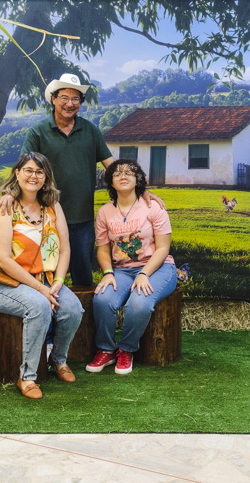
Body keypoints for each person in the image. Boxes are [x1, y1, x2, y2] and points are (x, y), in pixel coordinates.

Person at [0, 72, 161, 290]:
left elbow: (112, 166)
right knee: (46, 270)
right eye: (64, 97)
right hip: (46, 215)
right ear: (53, 99)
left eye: (75, 99)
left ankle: (83, 311)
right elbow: (24, 168)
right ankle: (48, 307)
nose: (70, 104)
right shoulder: (38, 132)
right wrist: (10, 193)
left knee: (83, 274)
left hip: (82, 216)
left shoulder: (90, 130)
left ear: (80, 103)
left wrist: (140, 189)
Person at [0, 152, 83, 399]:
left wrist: (58, 282)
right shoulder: (6, 207)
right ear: (17, 173)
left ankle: (57, 360)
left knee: (73, 310)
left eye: (39, 172)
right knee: (39, 306)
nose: (33, 176)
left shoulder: (53, 206)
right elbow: (2, 259)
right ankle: (27, 376)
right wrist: (40, 290)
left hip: (45, 280)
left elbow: (65, 249)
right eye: (28, 170)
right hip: (1, 281)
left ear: (46, 177)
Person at [86, 159, 177, 375]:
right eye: (117, 174)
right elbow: (103, 249)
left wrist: (144, 273)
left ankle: (126, 349)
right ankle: (106, 349)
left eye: (129, 172)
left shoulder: (153, 207)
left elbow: (163, 248)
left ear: (138, 179)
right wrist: (108, 273)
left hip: (157, 267)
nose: (123, 176)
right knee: (102, 299)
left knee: (139, 303)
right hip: (122, 270)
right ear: (111, 182)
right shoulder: (104, 212)